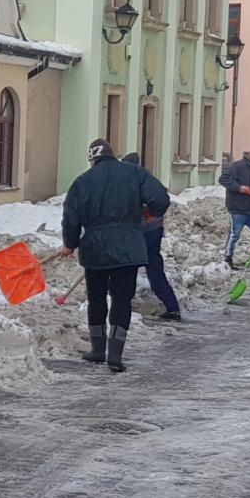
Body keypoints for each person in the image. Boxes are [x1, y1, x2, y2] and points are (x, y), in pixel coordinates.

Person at [62, 140, 172, 373]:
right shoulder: (134, 172)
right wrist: (148, 214)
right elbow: (161, 198)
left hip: (95, 250)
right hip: (128, 248)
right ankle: (115, 355)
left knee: (97, 299)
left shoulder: (82, 182)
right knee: (122, 299)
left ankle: (97, 350)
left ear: (92, 158)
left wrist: (70, 243)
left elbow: (71, 217)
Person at [124, 152, 182, 321]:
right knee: (155, 269)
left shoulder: (130, 183)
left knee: (129, 267)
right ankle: (172, 307)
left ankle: (123, 306)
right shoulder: (148, 179)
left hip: (141, 231)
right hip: (155, 230)